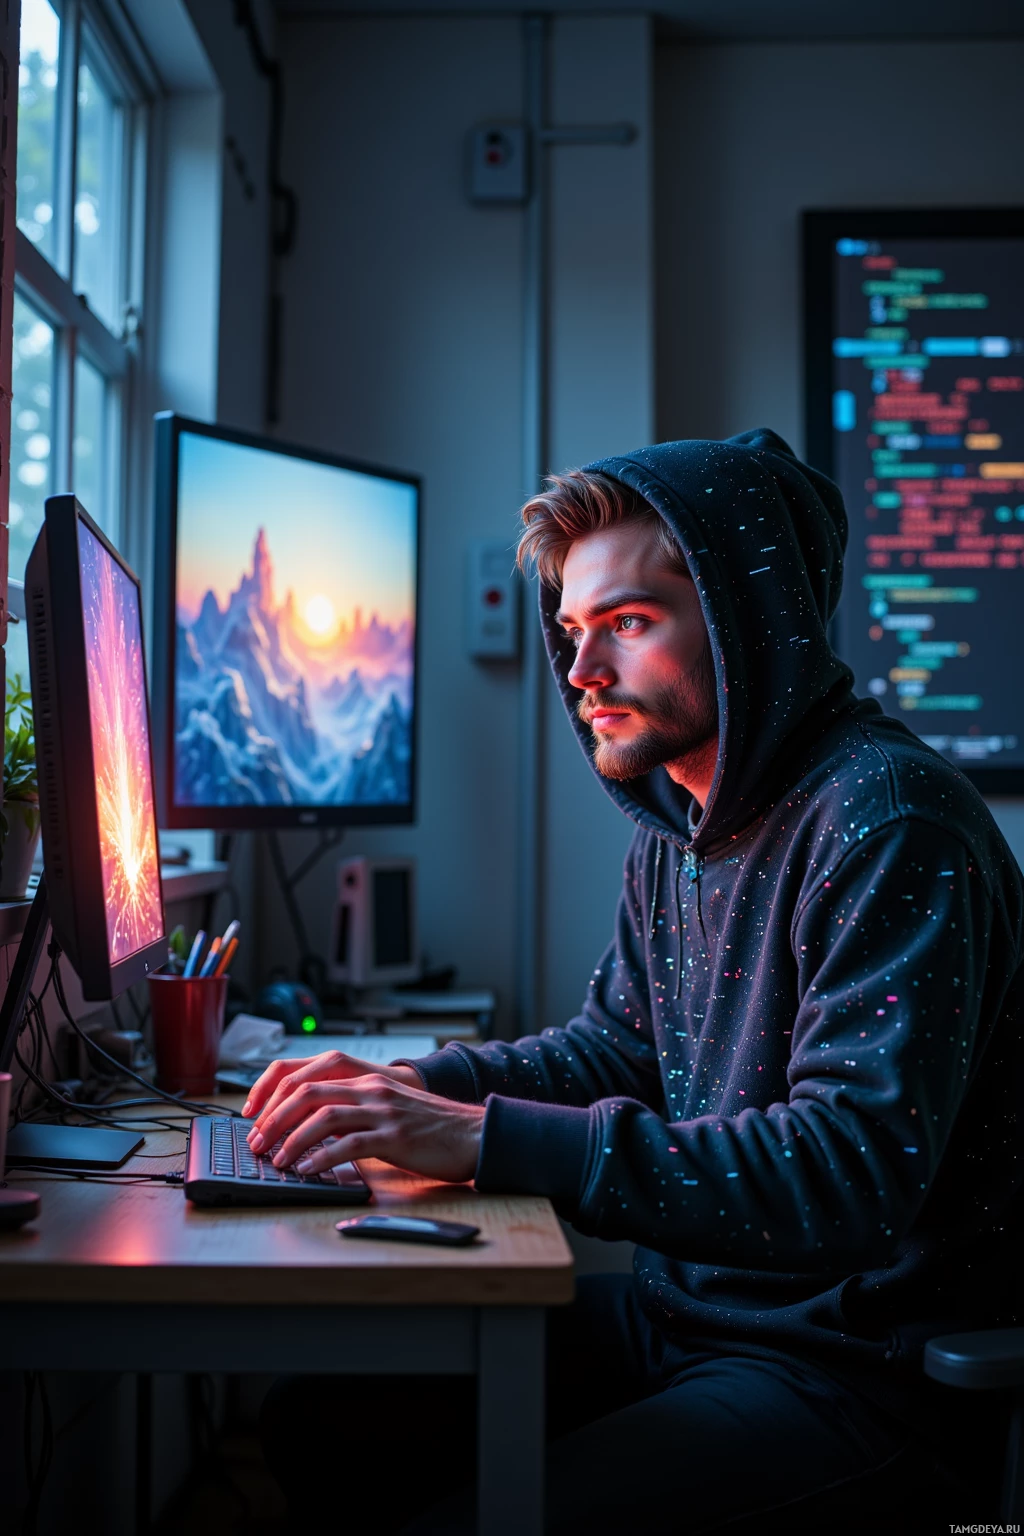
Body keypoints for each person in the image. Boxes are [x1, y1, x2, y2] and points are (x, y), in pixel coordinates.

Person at [251, 429, 1022, 1532]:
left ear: (753, 623)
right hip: (692, 1319)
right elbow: (617, 1050)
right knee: (316, 1420)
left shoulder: (891, 825)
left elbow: (846, 1174)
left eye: (627, 623)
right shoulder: (683, 824)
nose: (579, 674)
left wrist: (479, 1140)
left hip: (857, 1370)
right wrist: (418, 1089)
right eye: (574, 630)